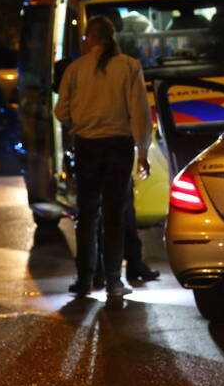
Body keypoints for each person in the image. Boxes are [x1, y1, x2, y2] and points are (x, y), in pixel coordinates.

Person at [55, 16, 152, 298]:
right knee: (114, 215)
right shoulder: (130, 67)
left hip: (86, 146)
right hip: (119, 147)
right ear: (112, 38)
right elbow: (139, 113)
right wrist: (143, 151)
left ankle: (84, 280)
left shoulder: (75, 69)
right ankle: (113, 281)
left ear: (90, 38)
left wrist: (80, 118)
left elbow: (61, 112)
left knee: (87, 215)